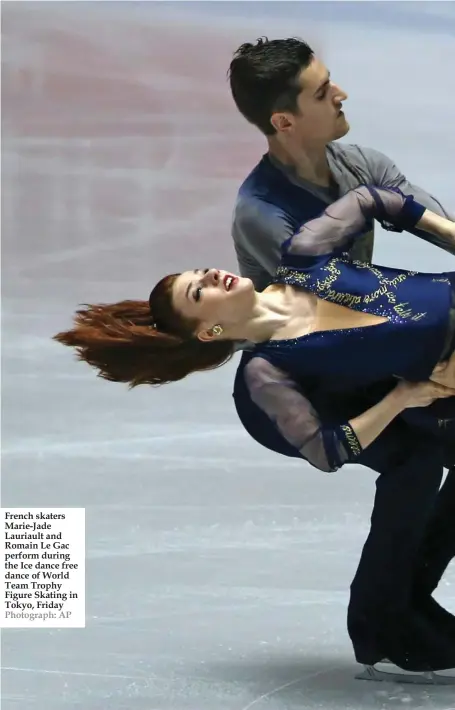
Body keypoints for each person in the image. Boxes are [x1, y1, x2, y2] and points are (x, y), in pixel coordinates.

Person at [54, 185, 455, 674]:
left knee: (418, 465)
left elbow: (373, 199)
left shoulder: (304, 257)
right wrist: (404, 397)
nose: (209, 275)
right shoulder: (270, 371)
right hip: (432, 386)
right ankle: (389, 626)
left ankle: (392, 613)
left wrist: (446, 232)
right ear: (210, 332)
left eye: (198, 272)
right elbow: (326, 450)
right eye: (198, 291)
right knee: (413, 463)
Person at [226, 36, 455, 680]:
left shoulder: (357, 163)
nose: (342, 94)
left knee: (432, 449)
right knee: (416, 457)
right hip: (301, 377)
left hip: (369, 348)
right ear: (285, 120)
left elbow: (431, 215)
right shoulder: (263, 213)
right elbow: (342, 299)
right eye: (325, 92)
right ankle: (385, 621)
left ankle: (400, 605)